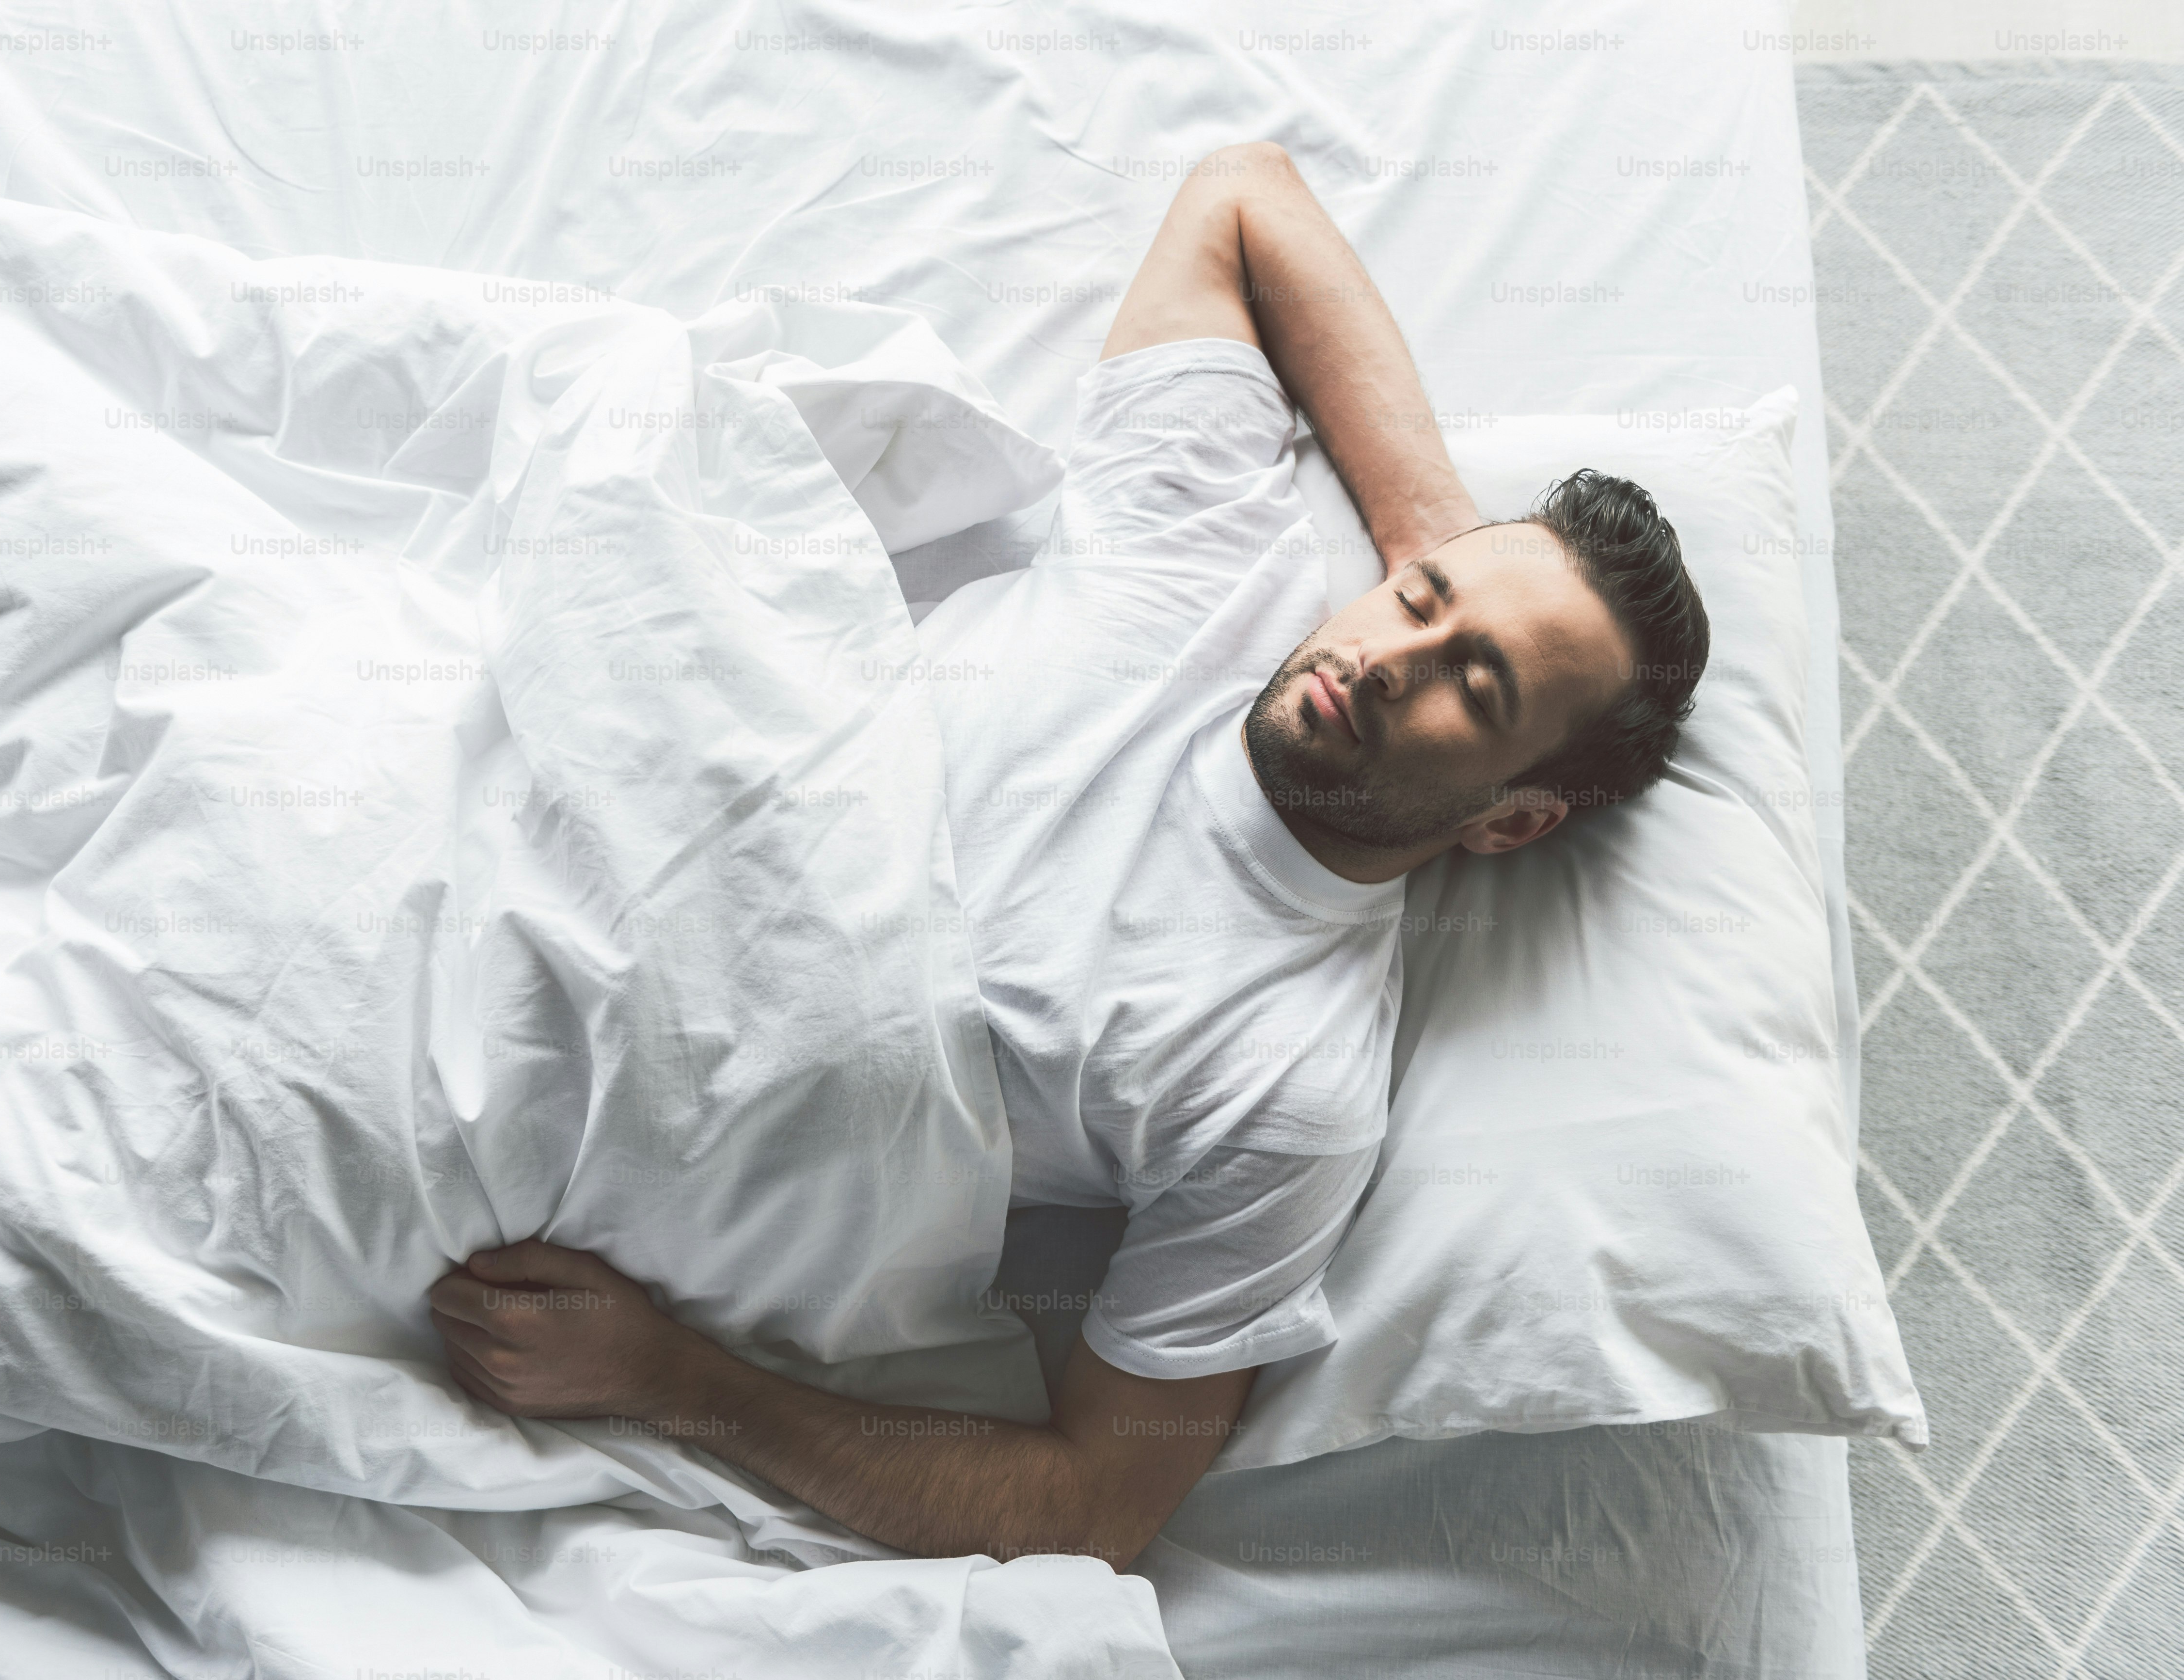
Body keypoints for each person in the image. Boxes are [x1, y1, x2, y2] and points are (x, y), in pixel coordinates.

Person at [428, 141, 1710, 1571]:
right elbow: (1245, 198)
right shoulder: (1211, 545)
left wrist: (671, 1382)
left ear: (1513, 818)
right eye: (1417, 599)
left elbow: (1099, 1502)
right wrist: (1445, 537)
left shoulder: (1287, 1086)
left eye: (1478, 687)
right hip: (509, 766)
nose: (1392, 655)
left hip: (528, 1098)